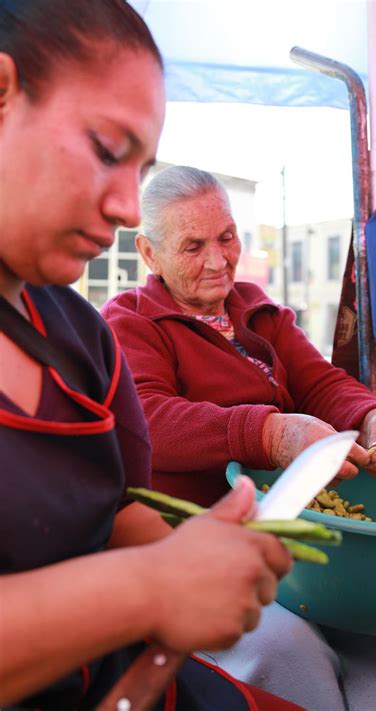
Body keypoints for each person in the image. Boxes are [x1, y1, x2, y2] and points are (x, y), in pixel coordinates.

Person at [0, 3, 307, 710]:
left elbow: (118, 512)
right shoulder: (131, 325)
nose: (128, 207)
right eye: (109, 149)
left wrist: (198, 552)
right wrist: (151, 589)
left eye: (140, 165)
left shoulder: (80, 340)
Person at [101, 166, 376, 710]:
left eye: (226, 237)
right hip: (197, 544)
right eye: (193, 245)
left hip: (302, 542)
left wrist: (372, 417)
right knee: (290, 654)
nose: (219, 260)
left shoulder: (257, 309)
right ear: (149, 253)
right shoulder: (129, 321)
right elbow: (148, 417)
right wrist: (269, 432)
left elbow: (321, 383)